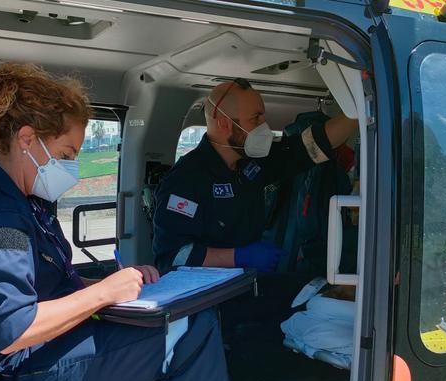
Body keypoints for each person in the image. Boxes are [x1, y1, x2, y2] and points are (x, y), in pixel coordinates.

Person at [0, 63, 264, 381]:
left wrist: (118, 283)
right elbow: (8, 330)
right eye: (65, 154)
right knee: (194, 328)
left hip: (48, 347)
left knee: (183, 314)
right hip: (29, 365)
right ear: (27, 140)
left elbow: (47, 284)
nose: (70, 167)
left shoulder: (25, 204)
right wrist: (102, 293)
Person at [152, 78, 358, 274]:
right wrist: (238, 257)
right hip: (204, 298)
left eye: (263, 117)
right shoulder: (185, 179)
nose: (263, 125)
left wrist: (358, 106)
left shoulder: (253, 162)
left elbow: (313, 145)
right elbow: (172, 257)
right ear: (224, 124)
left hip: (246, 284)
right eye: (255, 118)